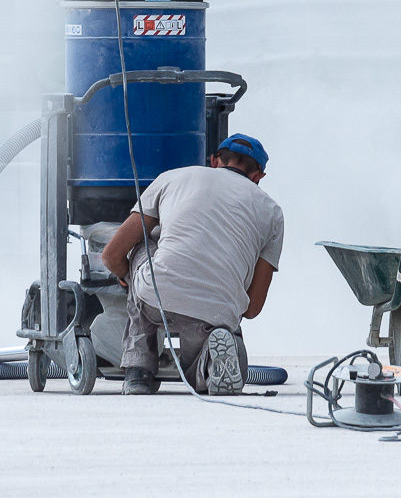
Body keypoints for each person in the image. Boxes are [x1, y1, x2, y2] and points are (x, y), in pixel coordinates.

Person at [102, 133, 283, 395]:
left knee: (143, 241)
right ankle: (210, 359)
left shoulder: (172, 177)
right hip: (216, 314)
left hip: (157, 297)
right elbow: (253, 307)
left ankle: (138, 371)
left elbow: (111, 255)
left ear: (213, 161)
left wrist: (128, 277)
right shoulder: (273, 212)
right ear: (258, 177)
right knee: (212, 340)